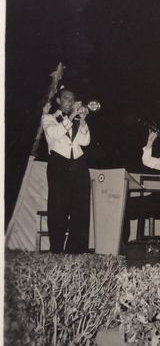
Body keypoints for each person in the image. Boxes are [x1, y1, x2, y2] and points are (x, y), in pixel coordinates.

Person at [41, 89, 91, 253]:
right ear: (58, 101)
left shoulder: (76, 119)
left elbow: (85, 141)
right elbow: (54, 133)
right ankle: (56, 249)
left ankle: (75, 250)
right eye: (66, 98)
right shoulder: (49, 117)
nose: (70, 101)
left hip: (78, 163)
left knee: (81, 208)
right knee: (58, 207)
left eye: (72, 99)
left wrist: (82, 121)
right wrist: (70, 117)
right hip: (59, 164)